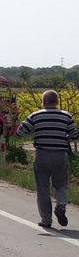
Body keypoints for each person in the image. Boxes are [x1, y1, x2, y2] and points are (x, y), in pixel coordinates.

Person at [17, 90, 78, 228]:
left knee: (43, 188)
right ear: (57, 102)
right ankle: (61, 206)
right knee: (61, 184)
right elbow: (74, 134)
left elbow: (21, 132)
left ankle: (46, 220)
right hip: (60, 155)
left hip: (42, 154)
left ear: (43, 101)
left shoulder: (36, 115)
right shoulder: (66, 116)